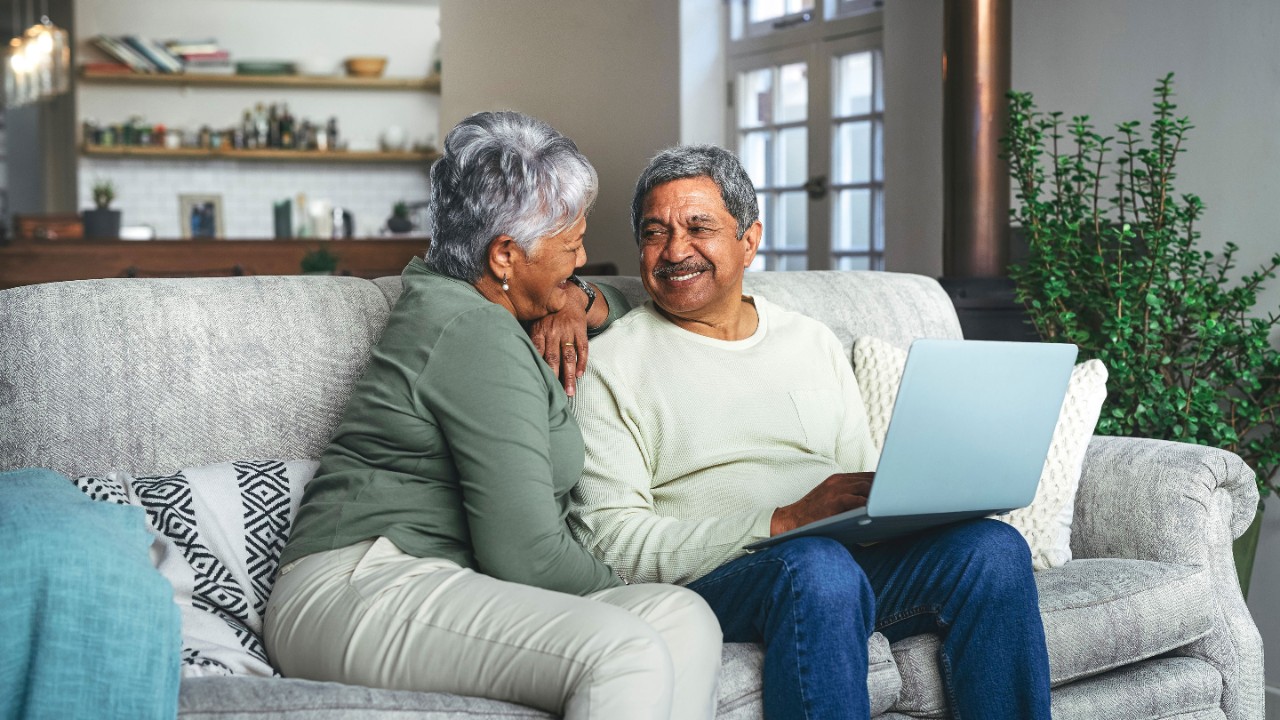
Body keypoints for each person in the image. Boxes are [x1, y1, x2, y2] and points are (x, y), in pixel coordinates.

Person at [265, 113, 722, 720]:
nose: (583, 257)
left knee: (682, 616)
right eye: (571, 245)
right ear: (505, 254)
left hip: (424, 580)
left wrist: (577, 302)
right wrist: (614, 586)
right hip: (356, 585)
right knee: (624, 649)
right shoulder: (472, 329)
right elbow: (526, 554)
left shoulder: (475, 298)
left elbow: (605, 293)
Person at [569, 145, 1052, 719]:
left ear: (749, 240)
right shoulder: (608, 363)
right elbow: (611, 544)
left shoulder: (811, 341)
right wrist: (784, 521)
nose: (676, 250)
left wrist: (922, 504)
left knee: (992, 550)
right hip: (716, 580)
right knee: (817, 565)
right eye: (655, 233)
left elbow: (857, 487)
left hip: (839, 564)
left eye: (699, 227)